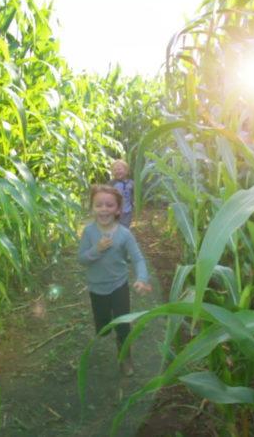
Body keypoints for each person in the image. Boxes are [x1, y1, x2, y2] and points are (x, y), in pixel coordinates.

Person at [78, 184, 151, 376]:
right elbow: (82, 259)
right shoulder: (88, 232)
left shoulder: (124, 234)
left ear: (118, 209)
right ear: (92, 208)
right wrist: (97, 249)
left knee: (122, 325)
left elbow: (137, 258)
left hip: (119, 286)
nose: (104, 209)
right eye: (99, 205)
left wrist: (142, 278)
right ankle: (105, 327)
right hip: (96, 287)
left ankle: (125, 356)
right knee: (103, 329)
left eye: (109, 205)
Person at [108, 159, 134, 227]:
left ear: (126, 171)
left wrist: (134, 203)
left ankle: (123, 236)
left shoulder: (131, 183)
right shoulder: (111, 183)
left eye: (119, 169)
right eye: (114, 170)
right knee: (114, 226)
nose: (117, 171)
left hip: (127, 210)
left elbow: (134, 194)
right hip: (115, 211)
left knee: (125, 226)